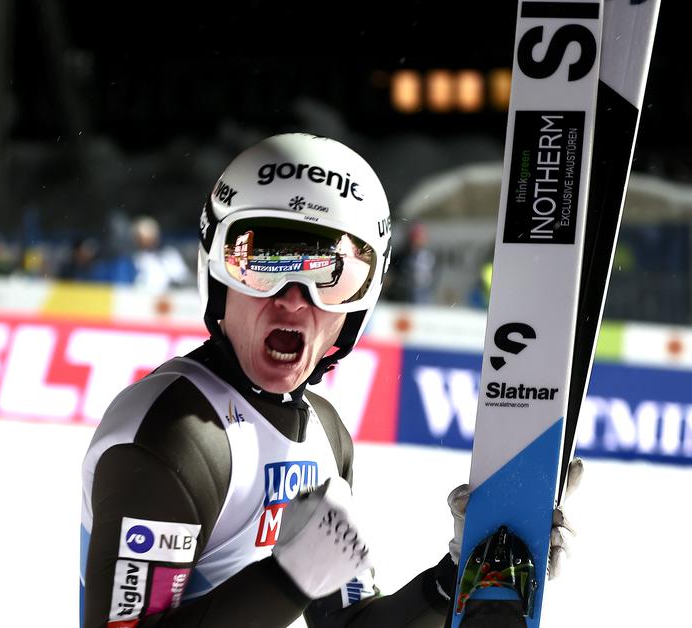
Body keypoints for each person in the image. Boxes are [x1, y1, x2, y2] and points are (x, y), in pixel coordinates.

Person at [79, 133, 579, 627]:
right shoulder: (176, 437)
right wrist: (289, 581)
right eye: (263, 263)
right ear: (215, 272)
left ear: (361, 302)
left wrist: (453, 578)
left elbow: (350, 623)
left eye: (331, 275)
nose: (294, 300)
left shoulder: (324, 435)